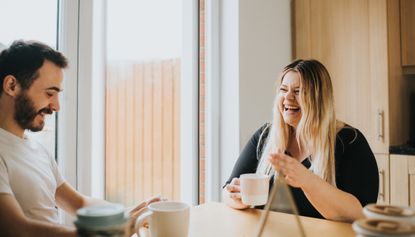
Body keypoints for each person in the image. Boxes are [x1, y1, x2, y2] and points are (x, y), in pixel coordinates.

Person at [0, 40, 159, 237]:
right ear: (12, 85)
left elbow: (79, 203)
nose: (56, 106)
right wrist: (103, 234)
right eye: (50, 93)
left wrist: (126, 216)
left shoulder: (37, 150)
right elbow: (17, 229)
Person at [223, 59, 379, 222]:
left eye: (298, 91)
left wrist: (305, 179)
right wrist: (237, 198)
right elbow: (227, 190)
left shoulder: (350, 142)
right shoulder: (265, 135)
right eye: (283, 90)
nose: (287, 97)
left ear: (318, 99)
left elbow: (360, 214)